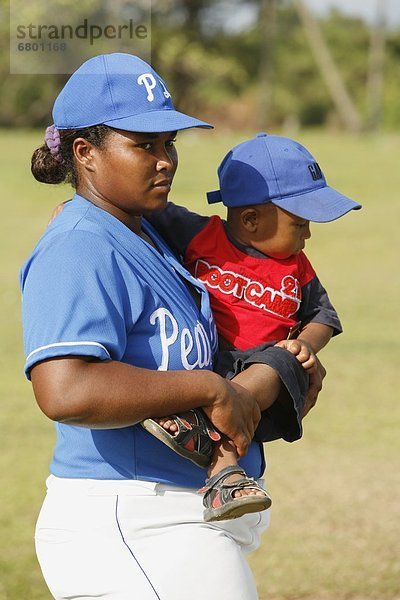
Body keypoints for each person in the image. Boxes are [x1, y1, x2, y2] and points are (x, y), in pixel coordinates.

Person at [20, 52, 321, 600]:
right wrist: (209, 387)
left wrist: (280, 373)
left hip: (173, 512)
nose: (166, 161)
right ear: (84, 153)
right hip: (131, 519)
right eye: (144, 144)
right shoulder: (81, 245)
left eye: (169, 144)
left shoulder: (148, 235)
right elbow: (65, 389)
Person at [144, 133, 361, 522]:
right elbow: (139, 210)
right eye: (300, 223)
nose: (307, 236)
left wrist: (304, 347)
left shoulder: (297, 268)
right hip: (208, 359)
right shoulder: (199, 235)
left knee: (275, 365)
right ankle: (204, 437)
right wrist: (77, 208)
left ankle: (220, 466)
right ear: (250, 220)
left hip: (264, 373)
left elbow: (323, 316)